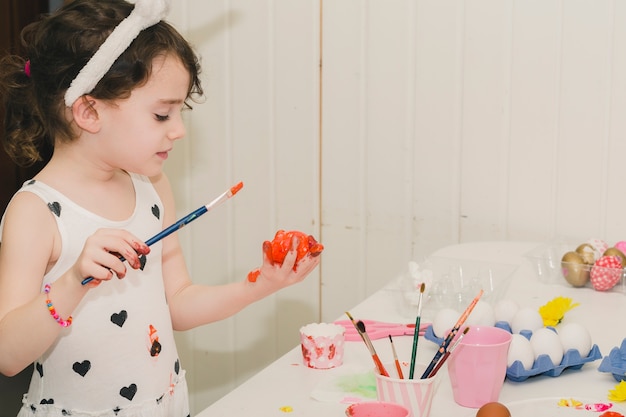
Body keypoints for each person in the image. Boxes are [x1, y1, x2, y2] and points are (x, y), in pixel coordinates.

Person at [0, 0, 322, 416]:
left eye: (180, 111)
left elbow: (179, 303)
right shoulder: (36, 212)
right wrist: (71, 281)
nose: (180, 130)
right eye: (161, 114)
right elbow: (8, 355)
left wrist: (260, 286)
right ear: (88, 111)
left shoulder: (152, 188)